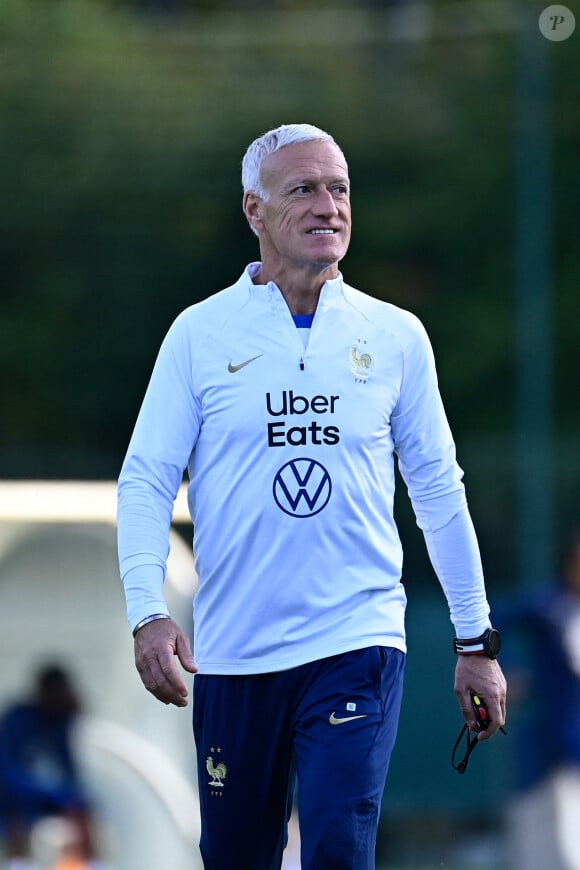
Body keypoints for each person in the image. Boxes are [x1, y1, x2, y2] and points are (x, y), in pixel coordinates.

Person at [117, 122, 507, 870]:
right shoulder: (199, 335)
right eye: (304, 189)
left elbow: (437, 489)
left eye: (340, 189)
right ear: (254, 211)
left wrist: (473, 641)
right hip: (233, 654)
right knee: (238, 858)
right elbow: (145, 480)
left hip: (356, 641)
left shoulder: (395, 336)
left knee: (335, 845)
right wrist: (148, 613)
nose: (329, 205)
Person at [497, 533, 580, 869]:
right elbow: (494, 620)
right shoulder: (549, 606)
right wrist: (506, 670)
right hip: (549, 732)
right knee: (536, 823)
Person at [0, 664, 103, 870]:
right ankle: (20, 865)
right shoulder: (19, 719)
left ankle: (92, 865)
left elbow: (69, 769)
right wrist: (53, 796)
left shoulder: (61, 721)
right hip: (17, 797)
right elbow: (7, 772)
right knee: (14, 812)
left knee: (82, 809)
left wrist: (70, 797)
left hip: (49, 795)